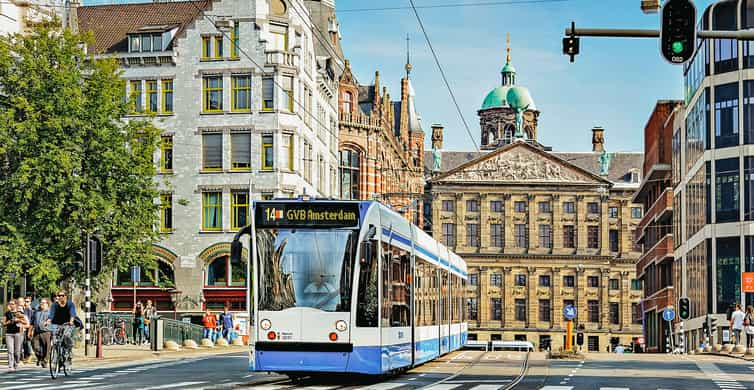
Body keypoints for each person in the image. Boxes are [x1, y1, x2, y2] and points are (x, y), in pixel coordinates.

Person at [46, 290, 77, 366]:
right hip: (56, 324)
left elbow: (72, 314)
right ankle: (57, 354)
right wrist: (48, 321)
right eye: (59, 296)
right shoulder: (54, 305)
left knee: (66, 336)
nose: (60, 297)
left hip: (67, 323)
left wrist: (71, 322)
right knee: (55, 338)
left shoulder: (70, 304)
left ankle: (68, 353)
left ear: (65, 296)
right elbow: (51, 315)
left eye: (62, 295)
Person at [3, 300, 28, 372]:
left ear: (16, 305)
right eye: (10, 304)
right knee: (10, 351)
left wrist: (18, 320)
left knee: (17, 351)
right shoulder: (7, 313)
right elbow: (4, 324)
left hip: (18, 333)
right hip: (9, 334)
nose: (11, 305)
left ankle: (16, 363)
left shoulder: (19, 313)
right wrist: (10, 321)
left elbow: (26, 322)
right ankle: (10, 366)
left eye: (12, 304)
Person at [31, 299, 51, 367]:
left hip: (46, 331)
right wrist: (30, 331)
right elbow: (32, 321)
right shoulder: (37, 312)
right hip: (37, 331)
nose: (41, 304)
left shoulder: (50, 312)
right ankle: (40, 357)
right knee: (35, 346)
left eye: (43, 303)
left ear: (47, 304)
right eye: (40, 302)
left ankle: (45, 361)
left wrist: (48, 321)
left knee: (46, 347)